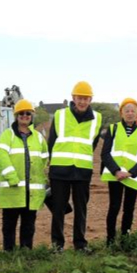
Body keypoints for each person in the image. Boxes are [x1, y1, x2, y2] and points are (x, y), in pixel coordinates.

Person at [48, 81, 102, 252]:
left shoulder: (97, 119)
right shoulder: (60, 115)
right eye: (80, 98)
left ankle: (80, 244)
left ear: (90, 99)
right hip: (60, 170)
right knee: (58, 209)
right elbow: (52, 142)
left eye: (86, 98)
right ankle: (57, 245)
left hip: (82, 170)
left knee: (81, 209)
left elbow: (92, 143)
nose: (82, 101)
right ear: (73, 98)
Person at [0, 100, 48, 251]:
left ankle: (26, 252)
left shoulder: (38, 137)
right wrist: (12, 177)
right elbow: (1, 155)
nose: (25, 116)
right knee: (9, 224)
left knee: (28, 224)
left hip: (31, 191)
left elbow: (44, 158)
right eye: (21, 113)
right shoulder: (8, 135)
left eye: (28, 113)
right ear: (16, 116)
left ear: (32, 116)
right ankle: (9, 252)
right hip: (13, 189)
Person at [101, 98, 137, 245]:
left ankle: (125, 240)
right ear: (121, 113)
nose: (129, 113)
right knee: (114, 207)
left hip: (132, 177)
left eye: (133, 111)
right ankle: (110, 241)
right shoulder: (113, 129)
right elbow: (105, 153)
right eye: (126, 110)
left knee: (129, 208)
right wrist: (116, 171)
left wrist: (130, 173)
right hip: (115, 176)